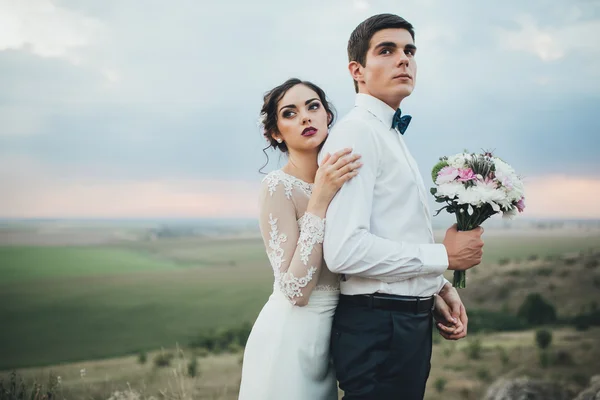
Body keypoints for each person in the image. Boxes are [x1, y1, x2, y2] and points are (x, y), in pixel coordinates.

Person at [320, 14, 485, 399]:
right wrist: (442, 255)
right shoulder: (358, 132)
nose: (404, 59)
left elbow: (392, 231)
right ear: (357, 70)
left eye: (410, 50)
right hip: (378, 326)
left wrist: (435, 288)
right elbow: (345, 251)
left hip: (401, 321)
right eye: (387, 50)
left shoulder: (388, 132)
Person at [237, 78, 362, 400]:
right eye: (290, 113)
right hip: (289, 338)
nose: (306, 117)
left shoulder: (347, 180)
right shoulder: (278, 187)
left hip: (337, 335)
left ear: (328, 117)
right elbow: (295, 290)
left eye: (313, 106)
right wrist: (318, 202)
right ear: (275, 133)